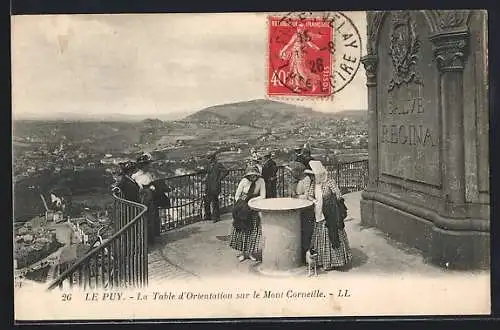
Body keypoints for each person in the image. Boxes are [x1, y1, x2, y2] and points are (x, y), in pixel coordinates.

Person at [305, 160, 352, 271]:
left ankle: (334, 261)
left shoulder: (330, 182)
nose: (313, 177)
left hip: (330, 214)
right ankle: (322, 260)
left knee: (332, 234)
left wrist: (331, 202)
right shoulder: (314, 184)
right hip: (319, 213)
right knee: (320, 235)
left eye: (314, 175)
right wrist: (315, 201)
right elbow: (310, 196)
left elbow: (339, 195)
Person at [229, 165, 266, 262]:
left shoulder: (261, 181)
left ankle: (250, 252)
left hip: (253, 206)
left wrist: (253, 200)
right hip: (243, 207)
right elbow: (237, 196)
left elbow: (263, 195)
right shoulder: (244, 181)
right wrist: (242, 205)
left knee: (252, 230)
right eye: (251, 175)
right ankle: (242, 253)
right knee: (242, 230)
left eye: (254, 175)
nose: (253, 177)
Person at [131, 152, 160, 246]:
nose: (148, 166)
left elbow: (152, 183)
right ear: (142, 165)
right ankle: (145, 240)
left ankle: (151, 239)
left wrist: (152, 187)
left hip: (151, 199)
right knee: (144, 220)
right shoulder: (135, 176)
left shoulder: (148, 175)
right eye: (146, 164)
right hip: (143, 200)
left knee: (151, 219)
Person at [203, 152, 228, 223]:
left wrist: (219, 179)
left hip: (215, 186)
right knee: (207, 201)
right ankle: (208, 216)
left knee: (214, 202)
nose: (208, 160)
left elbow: (226, 171)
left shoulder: (218, 164)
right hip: (209, 186)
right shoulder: (208, 165)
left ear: (213, 158)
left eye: (209, 158)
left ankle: (216, 217)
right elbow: (206, 171)